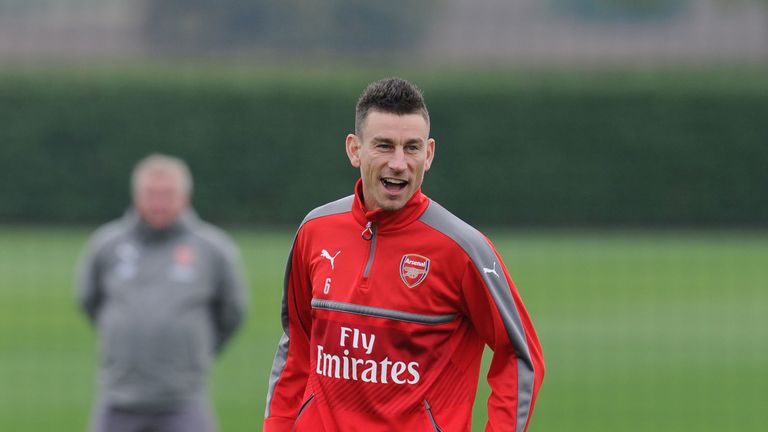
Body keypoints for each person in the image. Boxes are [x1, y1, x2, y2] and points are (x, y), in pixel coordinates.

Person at [264, 78, 544, 431]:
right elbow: (297, 348)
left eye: (411, 148)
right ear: (354, 150)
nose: (399, 163)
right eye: (384, 146)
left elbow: (521, 356)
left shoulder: (462, 248)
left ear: (428, 154)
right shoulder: (314, 230)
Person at [77, 154, 248, 432]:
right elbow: (89, 300)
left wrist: (195, 347)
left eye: (167, 194)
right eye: (151, 194)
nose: (159, 202)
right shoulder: (106, 245)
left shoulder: (213, 249)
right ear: (136, 196)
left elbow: (232, 312)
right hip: (117, 400)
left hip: (183, 402)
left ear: (185, 198)